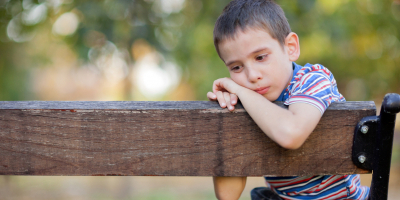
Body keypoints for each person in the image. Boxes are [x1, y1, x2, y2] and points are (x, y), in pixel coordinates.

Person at [206, 0, 370, 199]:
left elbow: (291, 133)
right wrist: (229, 112)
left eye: (260, 57)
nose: (252, 76)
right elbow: (227, 195)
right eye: (236, 68)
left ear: (291, 47)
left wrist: (242, 92)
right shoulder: (248, 101)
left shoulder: (313, 79)